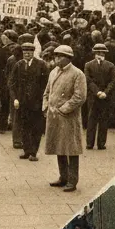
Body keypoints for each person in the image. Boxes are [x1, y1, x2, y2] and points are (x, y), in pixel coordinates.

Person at [44, 45, 87, 192]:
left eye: (59, 56)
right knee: (59, 147)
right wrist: (45, 106)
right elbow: (47, 91)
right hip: (54, 116)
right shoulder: (53, 72)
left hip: (68, 117)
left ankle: (72, 180)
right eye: (55, 56)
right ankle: (63, 177)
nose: (56, 58)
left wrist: (64, 109)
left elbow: (80, 96)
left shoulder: (77, 74)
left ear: (68, 58)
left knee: (71, 149)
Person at [9, 41, 48, 160]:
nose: (27, 54)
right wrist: (15, 98)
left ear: (33, 52)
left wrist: (43, 100)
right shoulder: (18, 65)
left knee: (36, 128)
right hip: (22, 102)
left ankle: (33, 152)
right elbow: (12, 83)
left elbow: (46, 84)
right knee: (24, 127)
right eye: (25, 52)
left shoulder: (41, 65)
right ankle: (27, 151)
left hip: (36, 102)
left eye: (30, 52)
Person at [83, 43, 115, 150]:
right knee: (91, 119)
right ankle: (90, 143)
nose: (99, 55)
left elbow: (113, 81)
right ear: (94, 53)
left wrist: (105, 92)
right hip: (93, 96)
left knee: (103, 120)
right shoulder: (88, 65)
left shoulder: (110, 65)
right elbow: (88, 80)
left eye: (102, 53)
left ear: (105, 54)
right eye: (97, 52)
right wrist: (97, 92)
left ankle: (101, 143)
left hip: (106, 97)